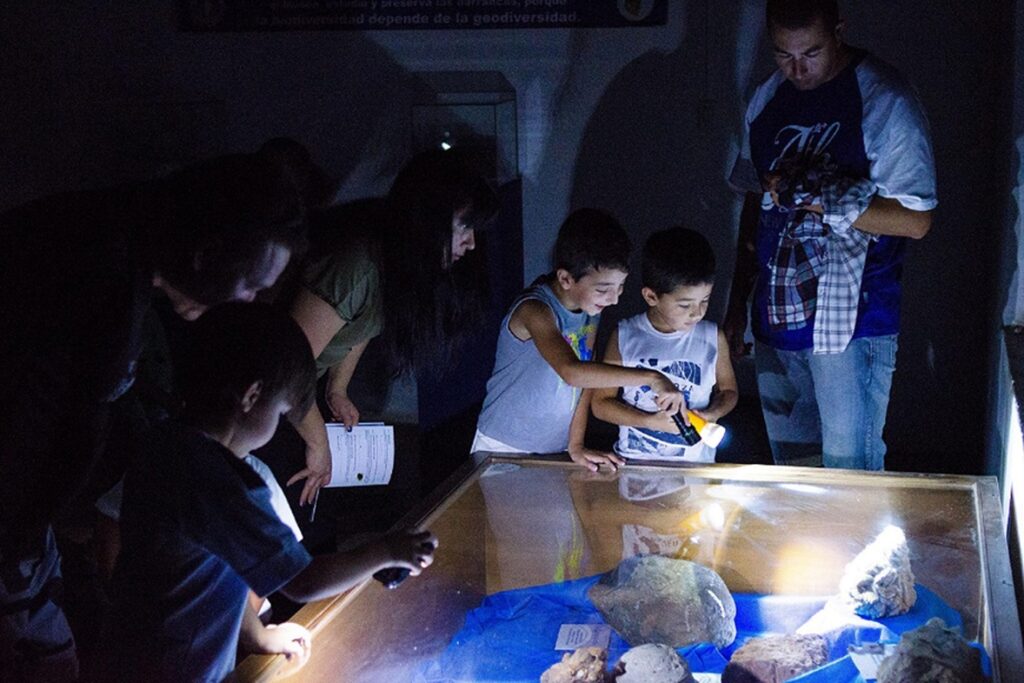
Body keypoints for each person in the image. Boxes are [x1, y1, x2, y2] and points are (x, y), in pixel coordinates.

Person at [0, 153, 306, 681]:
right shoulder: (97, 270)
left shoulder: (114, 246)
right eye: (251, 286)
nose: (249, 303)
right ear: (206, 253)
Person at [94, 303, 437, 682]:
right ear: (251, 396)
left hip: (125, 655)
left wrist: (256, 635)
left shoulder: (163, 444)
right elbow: (303, 581)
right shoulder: (226, 485)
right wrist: (387, 550)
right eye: (281, 411)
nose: (279, 425)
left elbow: (219, 563)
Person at [723, 0, 937, 470]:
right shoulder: (767, 97)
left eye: (811, 53)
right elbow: (753, 203)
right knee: (794, 471)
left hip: (853, 322)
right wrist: (736, 302)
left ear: (839, 31)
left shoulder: (883, 99)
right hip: (777, 318)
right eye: (783, 55)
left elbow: (916, 220)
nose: (797, 69)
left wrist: (818, 199)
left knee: (851, 471)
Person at [282, 150, 500, 507]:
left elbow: (361, 325)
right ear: (428, 217)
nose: (471, 243)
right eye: (463, 227)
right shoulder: (356, 265)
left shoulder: (394, 262)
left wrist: (337, 389)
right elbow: (285, 367)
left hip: (298, 398)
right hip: (268, 402)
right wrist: (318, 442)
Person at [472, 208, 685, 470]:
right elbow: (572, 372)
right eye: (603, 289)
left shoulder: (589, 311)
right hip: (503, 446)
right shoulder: (534, 310)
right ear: (566, 278)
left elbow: (586, 380)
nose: (614, 299)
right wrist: (652, 377)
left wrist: (575, 446)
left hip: (555, 447)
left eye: (620, 287)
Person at [592, 227, 738, 462]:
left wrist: (712, 413)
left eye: (705, 300)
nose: (697, 313)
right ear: (651, 296)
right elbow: (600, 403)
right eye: (685, 305)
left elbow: (729, 391)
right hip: (635, 463)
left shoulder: (712, 337)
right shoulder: (625, 336)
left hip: (694, 466)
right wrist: (649, 421)